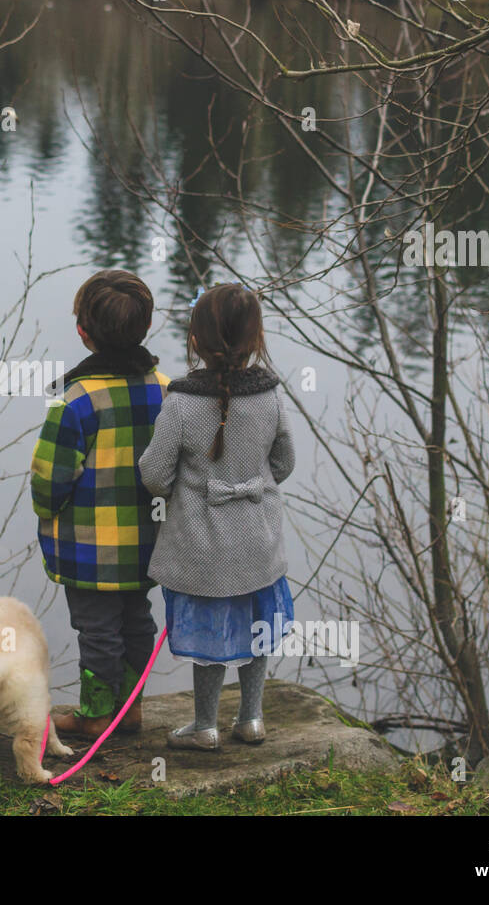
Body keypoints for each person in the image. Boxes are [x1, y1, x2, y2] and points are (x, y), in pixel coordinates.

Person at [138, 282, 295, 749]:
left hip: (202, 550)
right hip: (258, 545)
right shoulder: (269, 396)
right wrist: (253, 486)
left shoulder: (181, 404)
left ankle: (205, 726)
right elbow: (284, 463)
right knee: (257, 627)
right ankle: (251, 719)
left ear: (195, 341)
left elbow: (153, 473)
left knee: (208, 638)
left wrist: (185, 492)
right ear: (256, 339)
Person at [31, 269, 169, 737]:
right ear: (145, 327)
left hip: (89, 550)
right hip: (150, 543)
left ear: (83, 333)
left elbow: (49, 478)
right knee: (138, 621)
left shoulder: (73, 401)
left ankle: (95, 714)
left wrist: (46, 509)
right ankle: (130, 709)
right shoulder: (168, 390)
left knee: (96, 630)